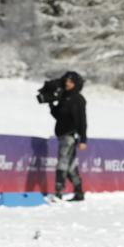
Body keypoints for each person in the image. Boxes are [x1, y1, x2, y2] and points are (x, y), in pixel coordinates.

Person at [49, 71, 88, 201]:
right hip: (61, 135)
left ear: (76, 84)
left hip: (70, 136)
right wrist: (51, 104)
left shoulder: (78, 99)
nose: (67, 83)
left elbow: (82, 120)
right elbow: (59, 116)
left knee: (62, 163)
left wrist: (83, 139)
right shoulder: (64, 97)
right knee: (70, 166)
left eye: (70, 81)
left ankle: (58, 193)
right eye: (66, 80)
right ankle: (79, 193)